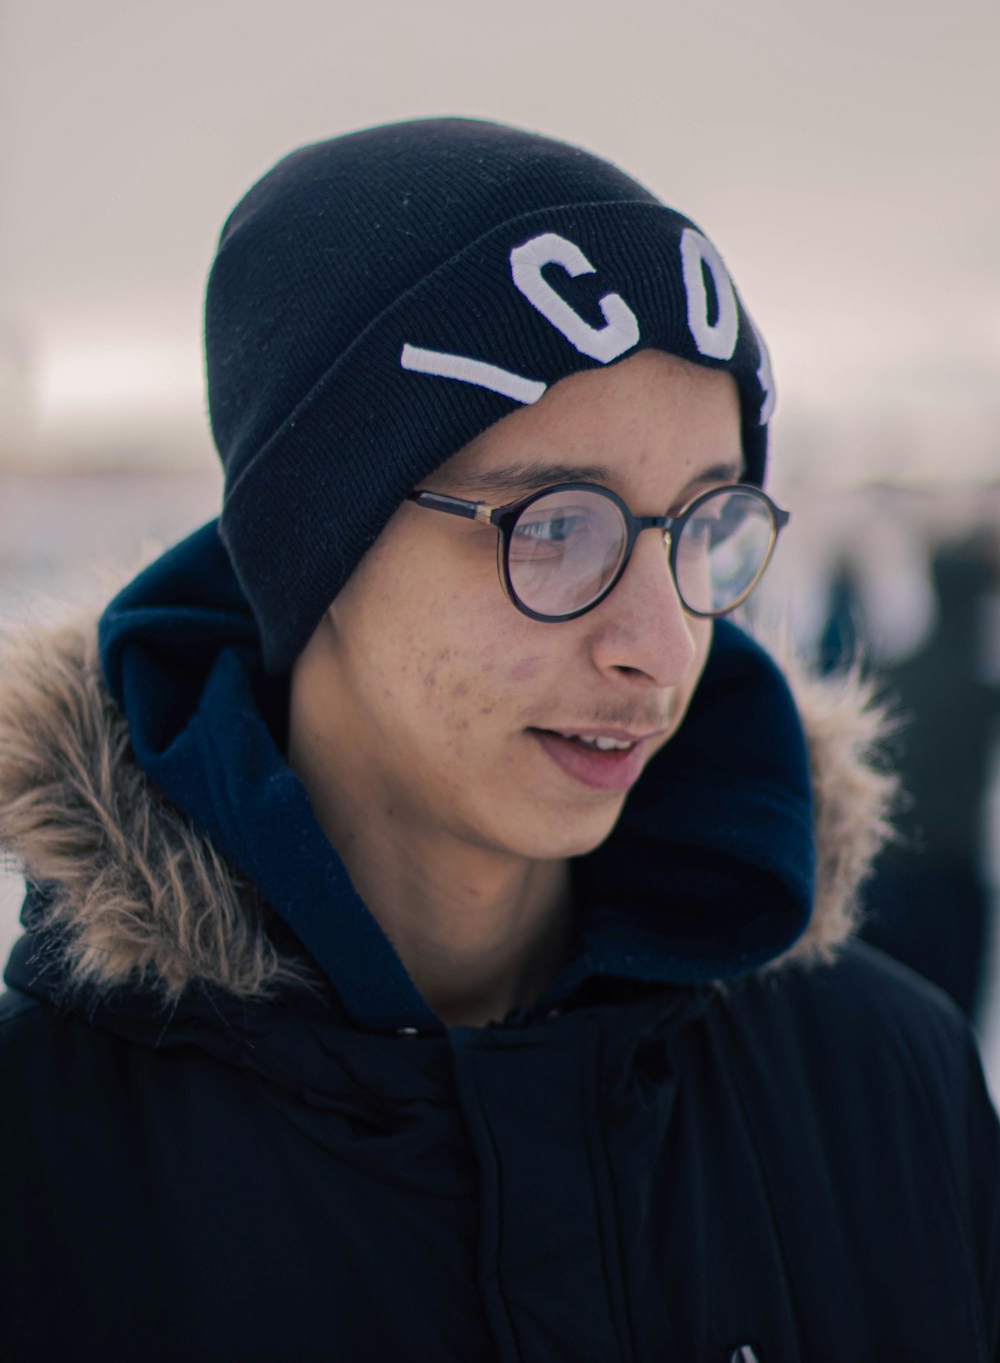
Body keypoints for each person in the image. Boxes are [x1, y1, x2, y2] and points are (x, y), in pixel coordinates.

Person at [1, 118, 997, 1362]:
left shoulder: (879, 1083)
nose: (658, 642)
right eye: (553, 527)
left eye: (701, 526)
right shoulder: (47, 1160)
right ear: (317, 545)